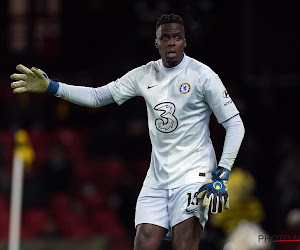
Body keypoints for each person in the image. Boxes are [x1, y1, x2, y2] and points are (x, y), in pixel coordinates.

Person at [10, 13, 245, 250]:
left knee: (184, 243)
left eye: (177, 37)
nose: (171, 42)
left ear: (185, 41)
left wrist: (222, 172)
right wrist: (52, 87)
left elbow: (235, 124)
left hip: (195, 176)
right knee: (144, 242)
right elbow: (97, 96)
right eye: (165, 38)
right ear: (156, 42)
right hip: (158, 178)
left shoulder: (203, 76)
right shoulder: (144, 75)